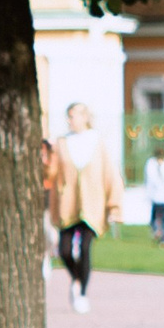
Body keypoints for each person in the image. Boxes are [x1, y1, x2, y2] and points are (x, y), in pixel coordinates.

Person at [50, 100, 121, 308]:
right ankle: (76, 277)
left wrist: (113, 206)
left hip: (92, 205)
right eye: (68, 116)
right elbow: (54, 177)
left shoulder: (97, 142)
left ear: (85, 117)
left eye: (74, 115)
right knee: (64, 250)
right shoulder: (62, 143)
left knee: (84, 248)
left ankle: (81, 292)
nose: (70, 120)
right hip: (67, 205)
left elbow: (110, 175)